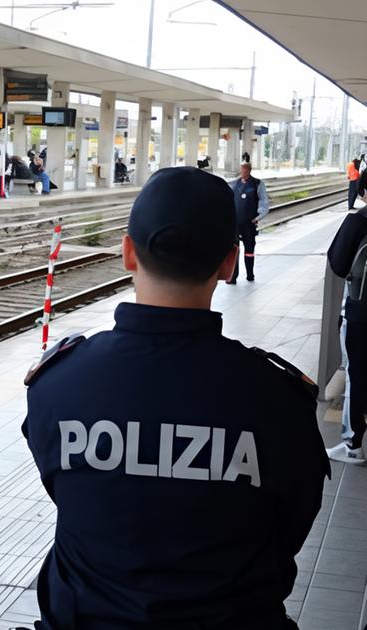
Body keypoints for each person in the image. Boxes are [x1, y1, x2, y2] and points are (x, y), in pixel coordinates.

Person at [23, 166, 328, 629]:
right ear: (229, 263)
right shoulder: (277, 399)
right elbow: (291, 526)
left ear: (128, 252)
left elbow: (65, 489)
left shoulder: (58, 382)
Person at [325, 204, 367, 465]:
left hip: (360, 312)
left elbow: (338, 263)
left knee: (356, 374)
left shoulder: (358, 221)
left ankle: (353, 445)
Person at [227, 161, 269, 284]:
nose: (243, 173)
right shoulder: (234, 184)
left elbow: (263, 201)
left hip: (250, 223)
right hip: (235, 224)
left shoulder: (257, 184)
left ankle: (250, 274)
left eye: (246, 170)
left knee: (249, 250)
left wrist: (259, 216)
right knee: (234, 250)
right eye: (242, 170)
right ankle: (233, 277)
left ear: (250, 170)